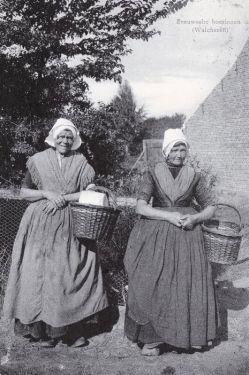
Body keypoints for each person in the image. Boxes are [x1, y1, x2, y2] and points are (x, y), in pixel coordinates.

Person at [3, 118, 108, 348]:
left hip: (70, 222)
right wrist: (47, 194)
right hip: (39, 223)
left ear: (75, 140)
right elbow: (23, 192)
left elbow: (87, 193)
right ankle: (42, 332)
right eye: (61, 136)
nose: (65, 140)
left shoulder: (81, 162)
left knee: (67, 273)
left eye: (69, 137)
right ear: (53, 137)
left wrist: (63, 199)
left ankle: (69, 331)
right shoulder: (38, 160)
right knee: (39, 274)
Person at [124, 128, 218, 356]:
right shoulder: (153, 173)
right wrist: (168, 216)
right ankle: (152, 340)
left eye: (182, 148)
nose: (178, 153)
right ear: (166, 151)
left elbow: (211, 207)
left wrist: (194, 218)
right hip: (156, 235)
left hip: (187, 237)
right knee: (153, 282)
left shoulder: (194, 175)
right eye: (174, 148)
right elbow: (141, 206)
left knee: (185, 284)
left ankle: (187, 337)